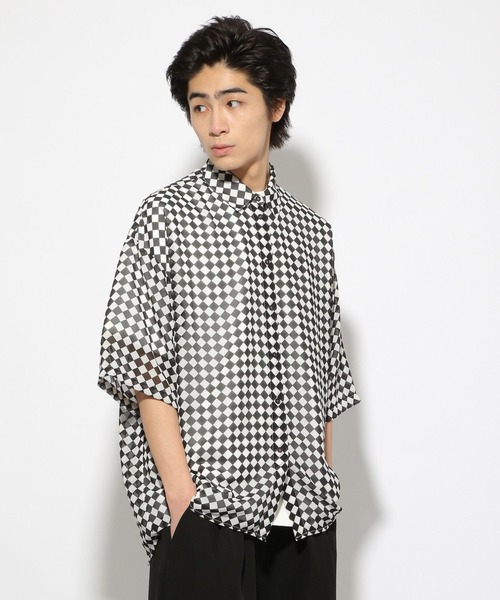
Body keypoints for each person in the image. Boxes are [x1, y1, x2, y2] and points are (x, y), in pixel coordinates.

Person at [97, 15, 360, 600]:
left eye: (233, 102)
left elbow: (327, 379)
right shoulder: (167, 218)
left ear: (276, 105)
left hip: (305, 521)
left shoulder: (312, 233)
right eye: (199, 106)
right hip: (210, 514)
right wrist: (182, 501)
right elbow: (140, 365)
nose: (214, 124)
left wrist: (321, 482)